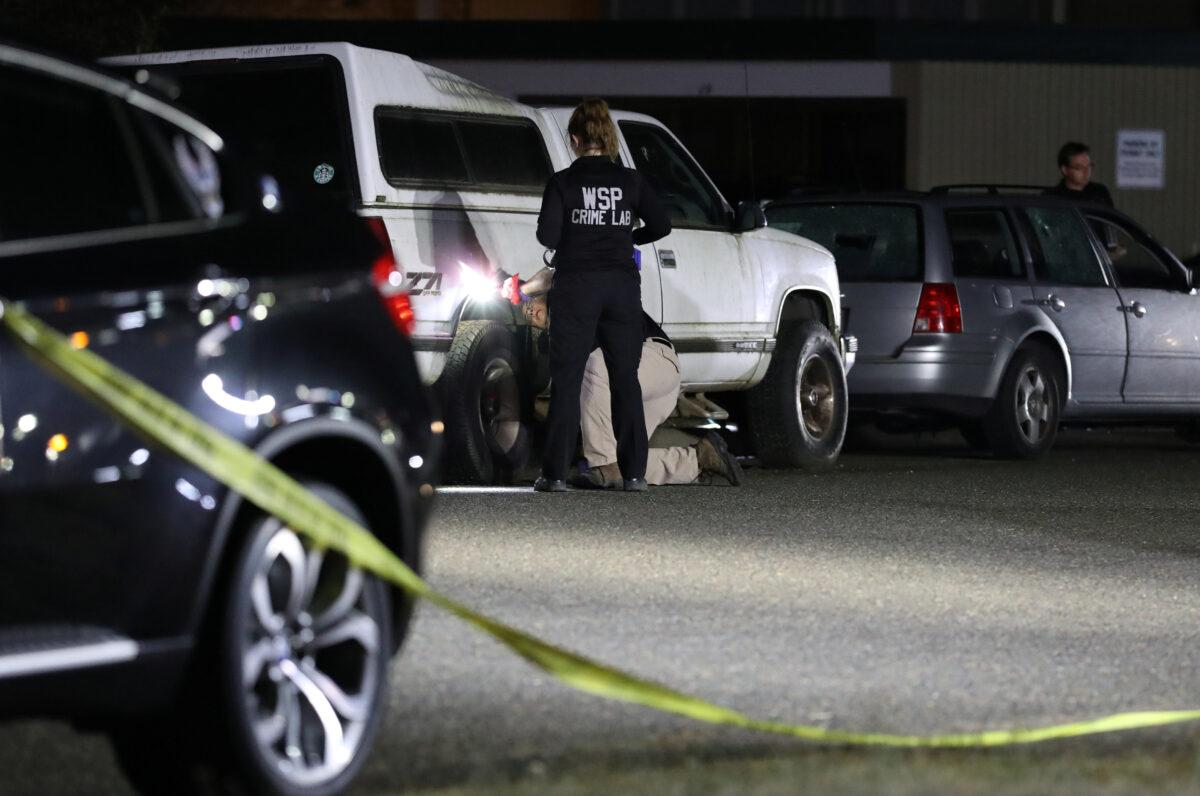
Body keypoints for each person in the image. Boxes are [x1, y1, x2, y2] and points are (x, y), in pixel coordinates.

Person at [533, 98, 670, 493]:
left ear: (575, 139)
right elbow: (661, 223)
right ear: (608, 139)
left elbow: (548, 237)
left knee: (568, 379)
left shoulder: (562, 183)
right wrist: (629, 236)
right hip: (621, 289)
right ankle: (634, 475)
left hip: (577, 288)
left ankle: (554, 475)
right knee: (625, 379)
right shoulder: (630, 182)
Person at [521, 273, 742, 488]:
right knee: (626, 461)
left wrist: (521, 289)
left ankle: (604, 464)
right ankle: (699, 459)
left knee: (592, 367)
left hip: (654, 359)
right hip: (643, 383)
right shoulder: (560, 336)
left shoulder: (574, 293)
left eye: (530, 304)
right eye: (527, 314)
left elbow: (556, 274)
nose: (531, 312)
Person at [1045, 141, 1114, 206]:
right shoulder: (1052, 197)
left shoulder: (1100, 193)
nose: (1086, 172)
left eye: (1089, 166)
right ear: (1065, 170)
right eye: (1079, 167)